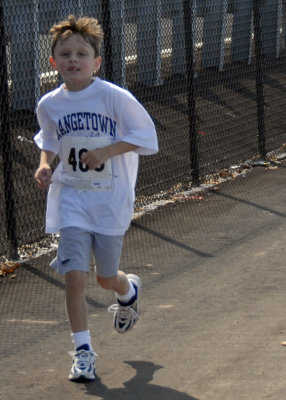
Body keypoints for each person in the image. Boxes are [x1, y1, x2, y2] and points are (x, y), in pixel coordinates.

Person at [34, 15, 158, 382]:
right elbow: (50, 141)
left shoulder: (114, 98)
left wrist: (106, 152)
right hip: (72, 199)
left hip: (109, 201)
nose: (73, 60)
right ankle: (83, 351)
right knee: (74, 276)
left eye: (81, 54)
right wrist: (44, 165)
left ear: (96, 61)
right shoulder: (50, 104)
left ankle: (128, 289)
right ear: (54, 62)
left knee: (105, 280)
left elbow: (147, 138)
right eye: (65, 54)